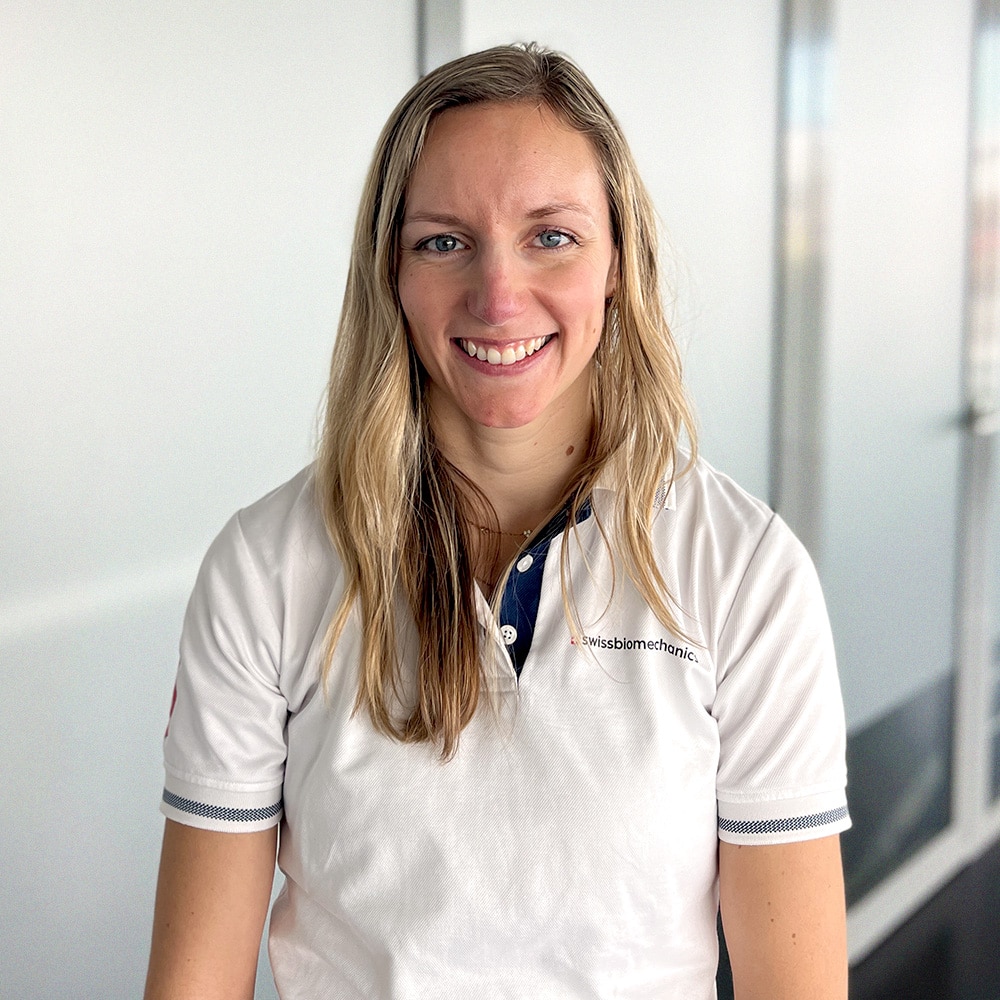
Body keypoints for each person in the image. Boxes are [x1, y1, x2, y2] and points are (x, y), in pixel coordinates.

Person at [145, 43, 850, 1000]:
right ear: (391, 271)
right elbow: (194, 984)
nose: (499, 296)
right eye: (444, 242)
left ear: (618, 261)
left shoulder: (743, 572)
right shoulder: (268, 568)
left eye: (551, 236)